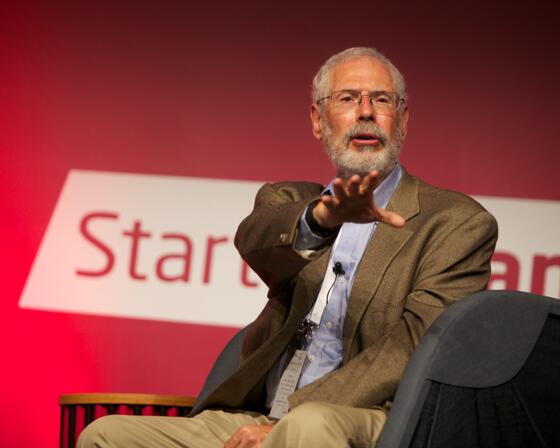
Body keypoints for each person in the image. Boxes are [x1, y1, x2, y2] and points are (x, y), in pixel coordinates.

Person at [78, 47, 498, 448]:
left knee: (308, 427)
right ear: (318, 120)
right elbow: (256, 241)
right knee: (105, 435)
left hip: (376, 418)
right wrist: (323, 219)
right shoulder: (287, 201)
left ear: (402, 121)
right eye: (348, 98)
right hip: (262, 413)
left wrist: (289, 419)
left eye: (382, 100)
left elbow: (412, 348)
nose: (366, 111)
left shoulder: (455, 223)